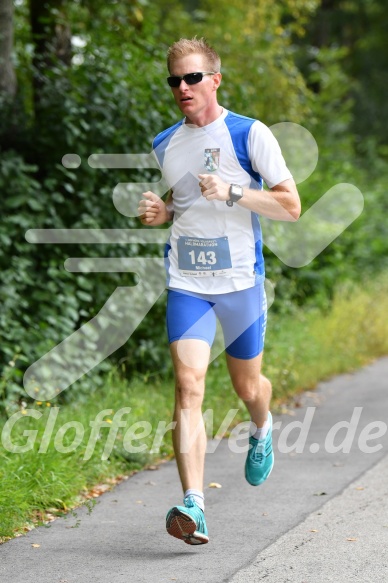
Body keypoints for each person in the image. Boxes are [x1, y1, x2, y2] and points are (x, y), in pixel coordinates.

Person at [138, 37, 301, 545]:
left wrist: (233, 191)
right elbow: (180, 197)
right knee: (188, 386)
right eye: (174, 80)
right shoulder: (165, 142)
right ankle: (195, 504)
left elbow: (291, 205)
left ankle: (261, 426)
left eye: (192, 77)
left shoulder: (249, 134)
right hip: (188, 283)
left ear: (214, 79)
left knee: (248, 388)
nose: (182, 87)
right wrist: (162, 212)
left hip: (240, 285)